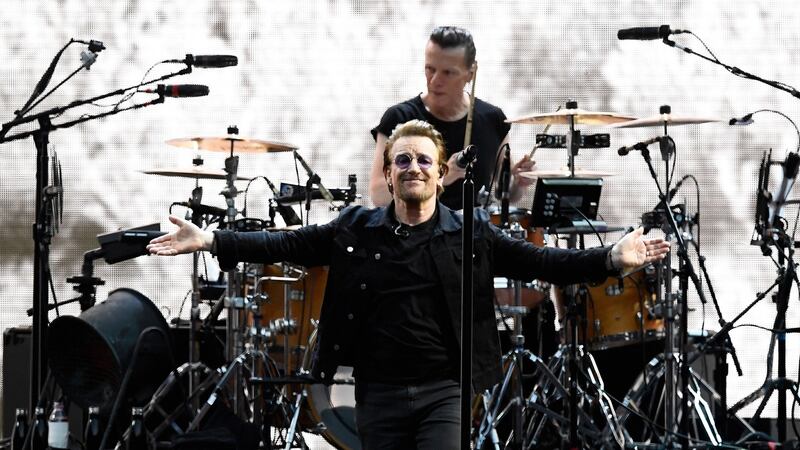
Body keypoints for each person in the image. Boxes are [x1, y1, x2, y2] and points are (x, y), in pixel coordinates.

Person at [148, 120, 669, 449]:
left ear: (440, 174)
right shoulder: (355, 228)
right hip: (377, 391)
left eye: (424, 160)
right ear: (390, 174)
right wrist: (210, 240)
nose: (413, 167)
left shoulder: (470, 234)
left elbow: (541, 261)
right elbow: (286, 245)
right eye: (403, 160)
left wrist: (611, 257)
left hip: (446, 391)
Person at [369, 26, 534, 210]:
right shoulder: (399, 118)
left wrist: (518, 183)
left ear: (470, 74)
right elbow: (378, 195)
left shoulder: (492, 119)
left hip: (475, 234)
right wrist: (441, 177)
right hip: (415, 236)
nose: (435, 81)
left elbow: (505, 193)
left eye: (448, 73)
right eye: (430, 69)